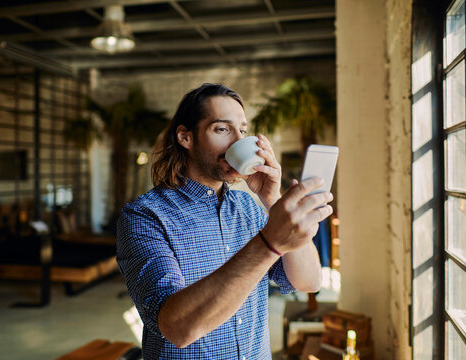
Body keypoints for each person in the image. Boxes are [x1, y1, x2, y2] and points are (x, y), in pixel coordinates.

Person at [116, 83, 333, 359]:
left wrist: (272, 199)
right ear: (186, 137)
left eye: (242, 131)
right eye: (222, 129)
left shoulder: (248, 208)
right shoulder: (145, 216)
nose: (238, 142)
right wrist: (267, 244)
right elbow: (177, 327)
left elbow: (309, 281)